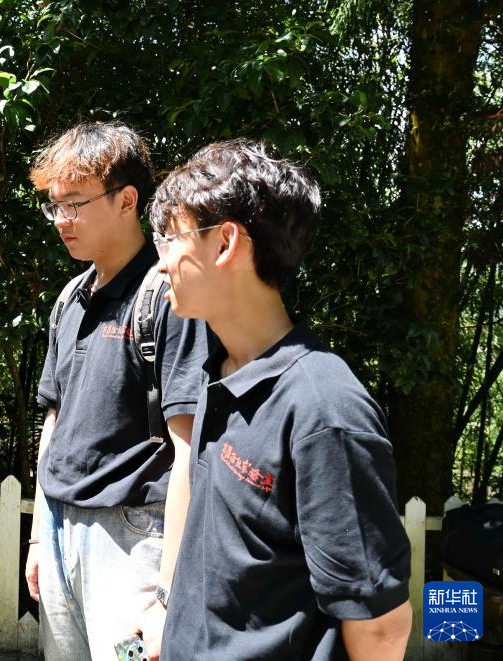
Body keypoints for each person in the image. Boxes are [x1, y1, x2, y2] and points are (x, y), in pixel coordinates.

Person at [151, 139, 412, 660]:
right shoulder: (219, 370)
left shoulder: (325, 410)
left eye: (171, 239)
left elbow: (380, 627)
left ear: (225, 243)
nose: (159, 265)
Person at [25, 122, 207, 660]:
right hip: (58, 529)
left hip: (134, 535)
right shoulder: (70, 297)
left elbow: (190, 446)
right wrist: (38, 535)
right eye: (54, 206)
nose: (61, 219)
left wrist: (168, 592)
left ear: (127, 200)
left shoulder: (168, 295)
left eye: (75, 204)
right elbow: (54, 422)